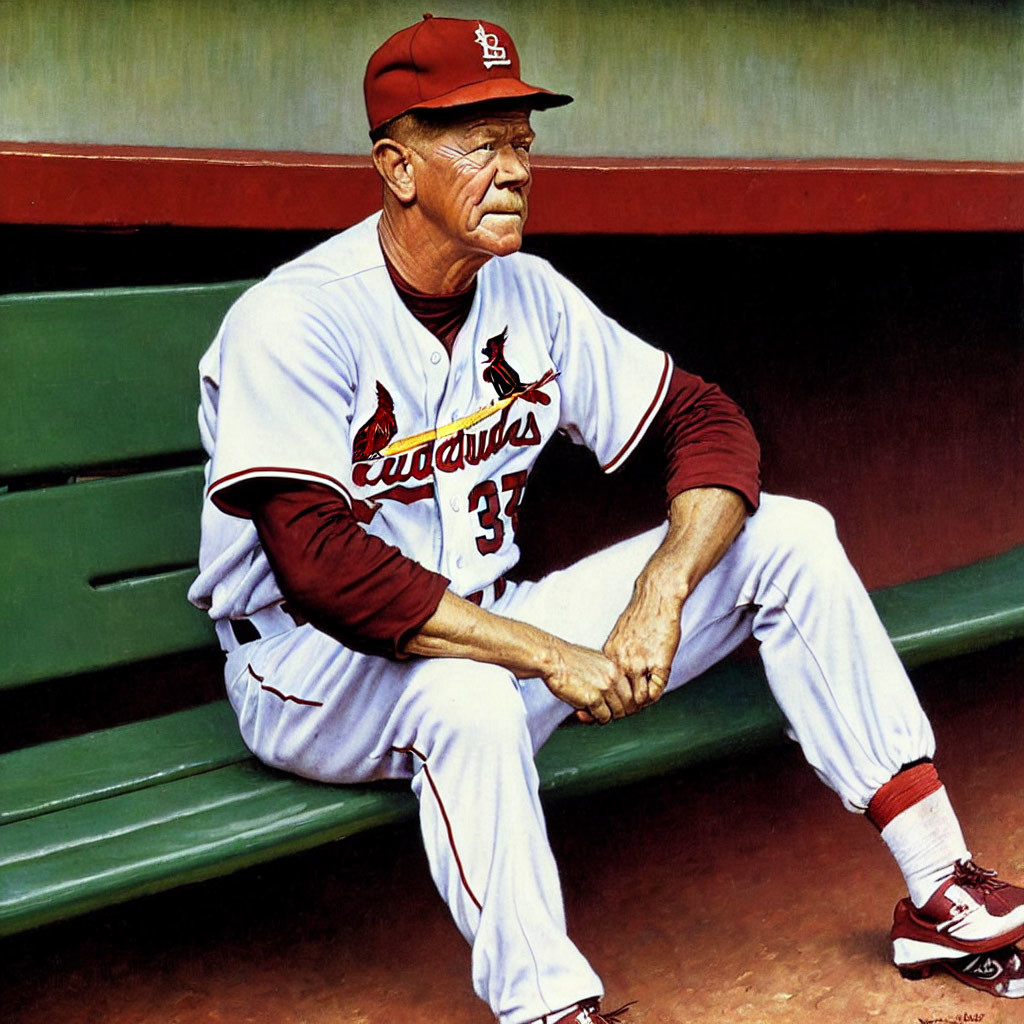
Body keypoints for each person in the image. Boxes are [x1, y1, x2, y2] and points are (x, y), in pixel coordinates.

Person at [188, 14, 1024, 1021]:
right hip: (305, 670)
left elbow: (703, 417)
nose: (515, 167)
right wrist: (544, 653)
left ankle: (938, 884)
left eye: (523, 140)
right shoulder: (296, 318)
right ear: (396, 167)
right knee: (468, 698)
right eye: (480, 140)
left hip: (488, 631)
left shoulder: (527, 294)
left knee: (789, 536)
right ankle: (548, 1006)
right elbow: (322, 567)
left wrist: (660, 594)